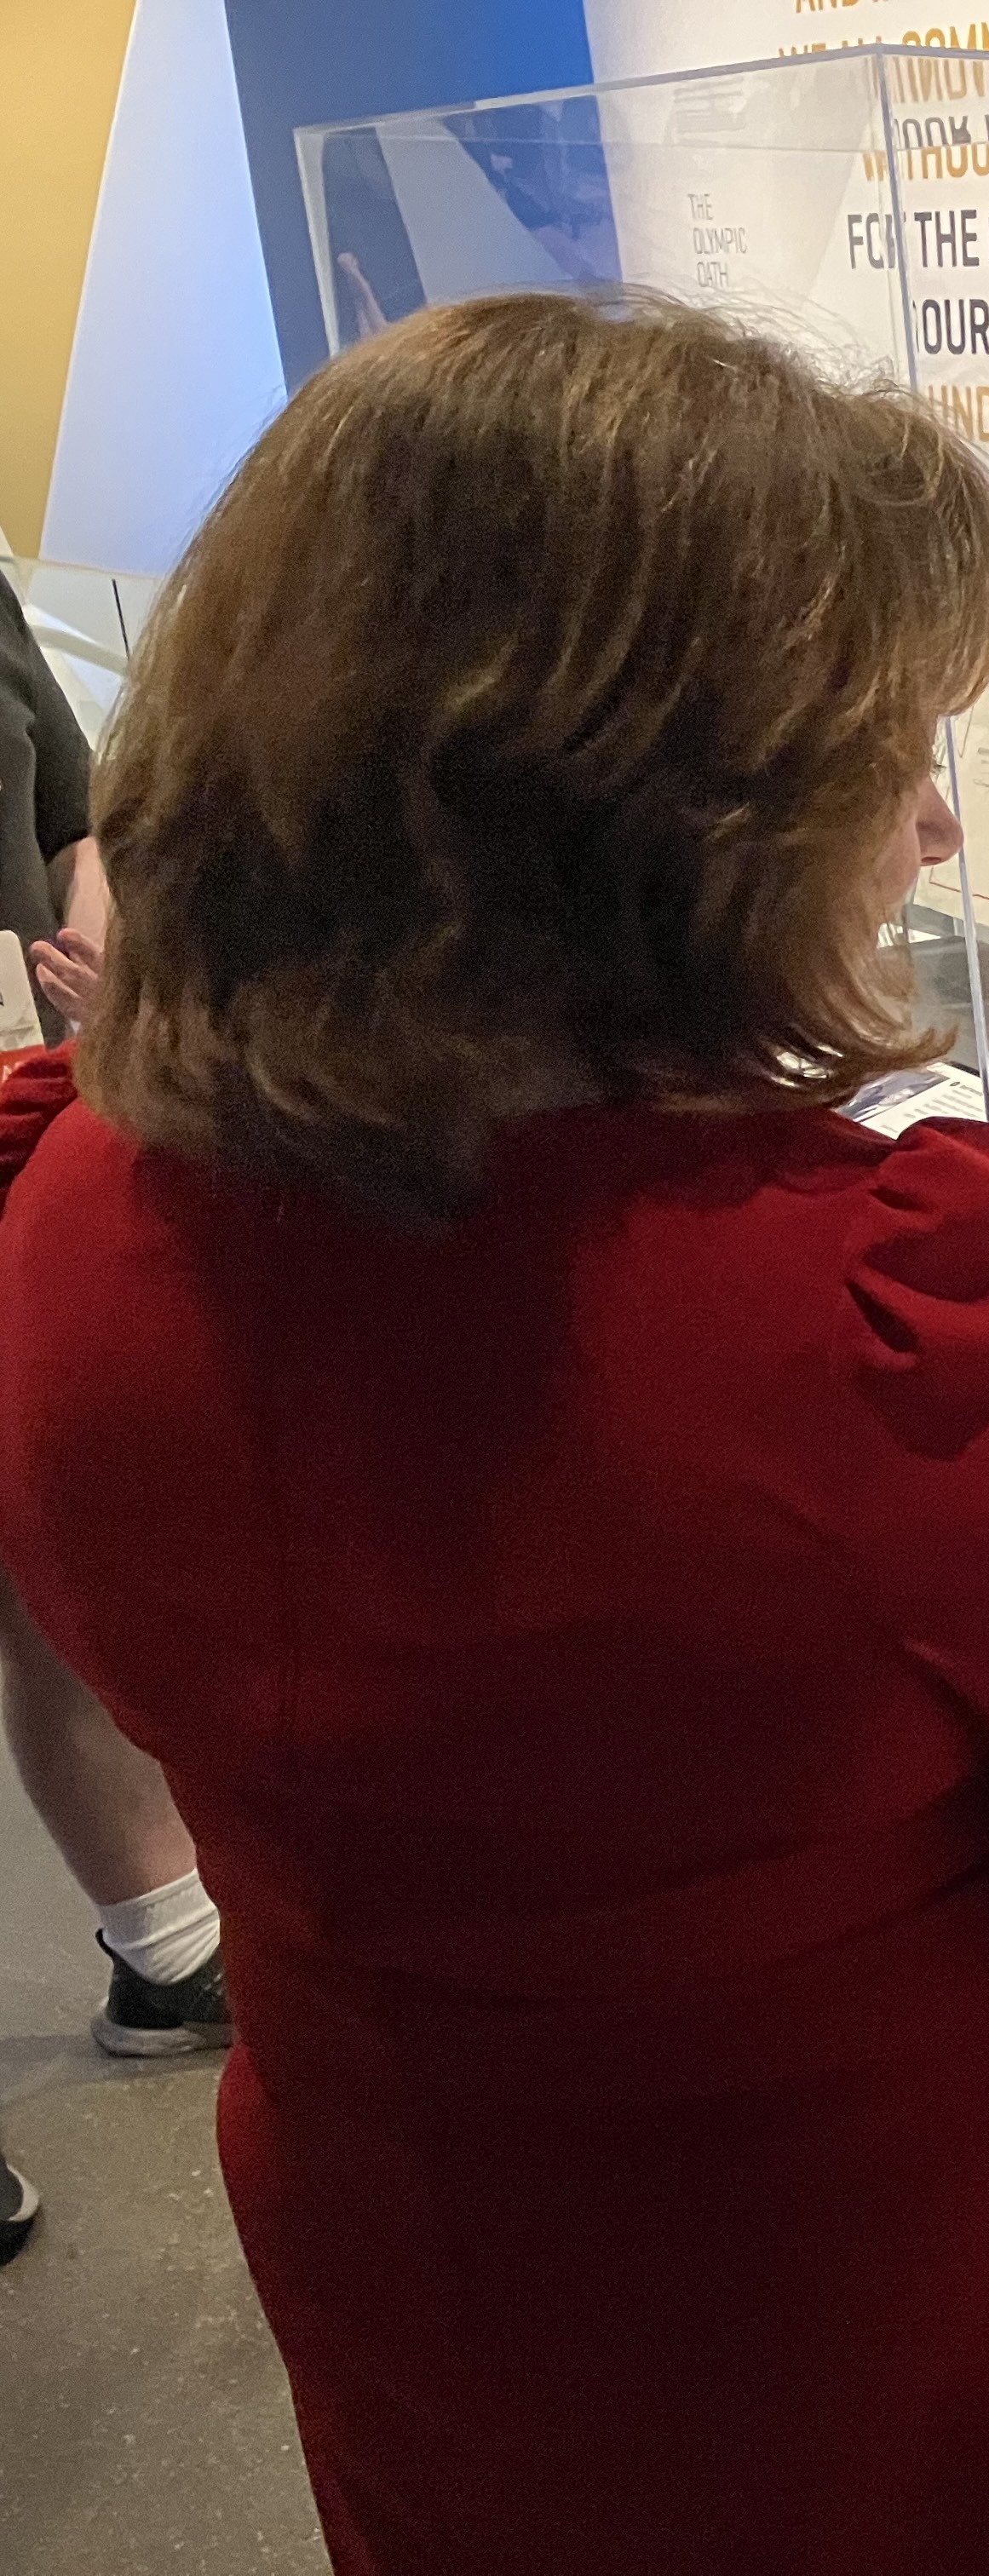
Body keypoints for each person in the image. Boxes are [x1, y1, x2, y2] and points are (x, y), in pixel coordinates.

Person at [0, 290, 989, 2572]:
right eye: (878, 748)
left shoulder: (72, 1203)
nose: (930, 818)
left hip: (383, 2198)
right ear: (634, 806)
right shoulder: (902, 1308)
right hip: (858, 2271)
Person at [0, 568, 224, 2272]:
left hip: (24, 1096)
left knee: (42, 1552)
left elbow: (71, 805)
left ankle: (163, 1942)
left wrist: (94, 980)